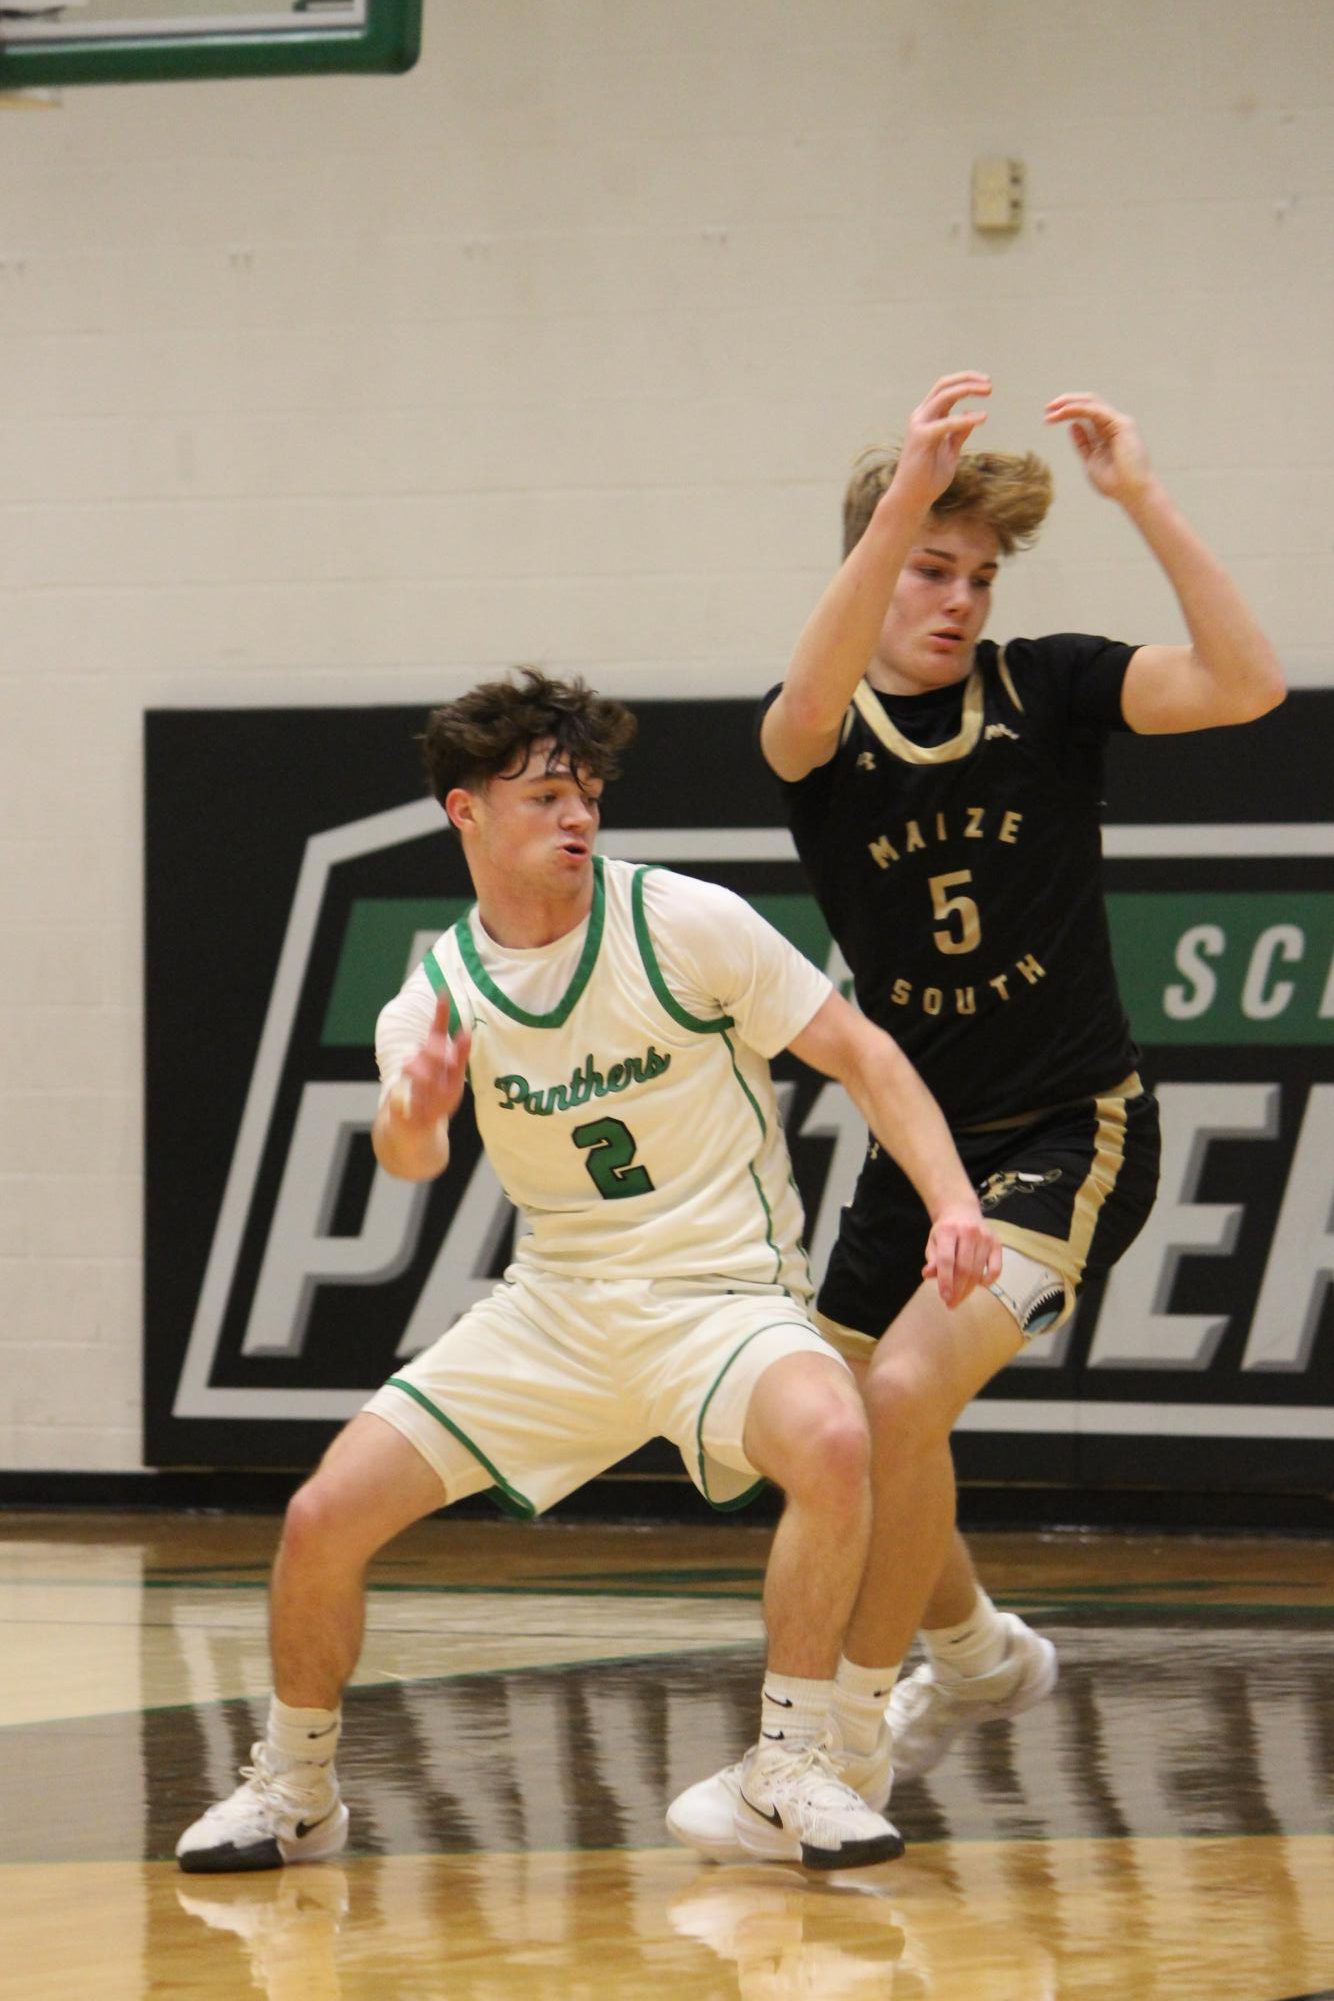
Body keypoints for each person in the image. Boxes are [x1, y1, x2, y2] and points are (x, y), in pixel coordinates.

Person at [176, 667, 1002, 1877]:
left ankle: (784, 1766)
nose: (577, 817)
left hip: (718, 1297)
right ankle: (293, 1789)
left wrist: (950, 1200)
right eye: (546, 795)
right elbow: (409, 1156)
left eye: (588, 795)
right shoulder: (439, 992)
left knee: (833, 1435)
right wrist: (414, 1108)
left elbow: (862, 1052)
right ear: (465, 814)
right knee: (318, 1520)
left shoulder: (680, 920)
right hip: (554, 1311)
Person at [667, 372, 1285, 1858]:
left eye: (975, 577)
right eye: (925, 568)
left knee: (895, 1403)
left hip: (1072, 1131)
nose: (952, 600)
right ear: (872, 564)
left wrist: (1140, 497)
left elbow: (1247, 682)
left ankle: (842, 1740)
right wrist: (895, 505)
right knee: (831, 1439)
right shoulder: (823, 733)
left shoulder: (1047, 687)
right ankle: (979, 1648)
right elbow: (797, 715)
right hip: (919, 1149)